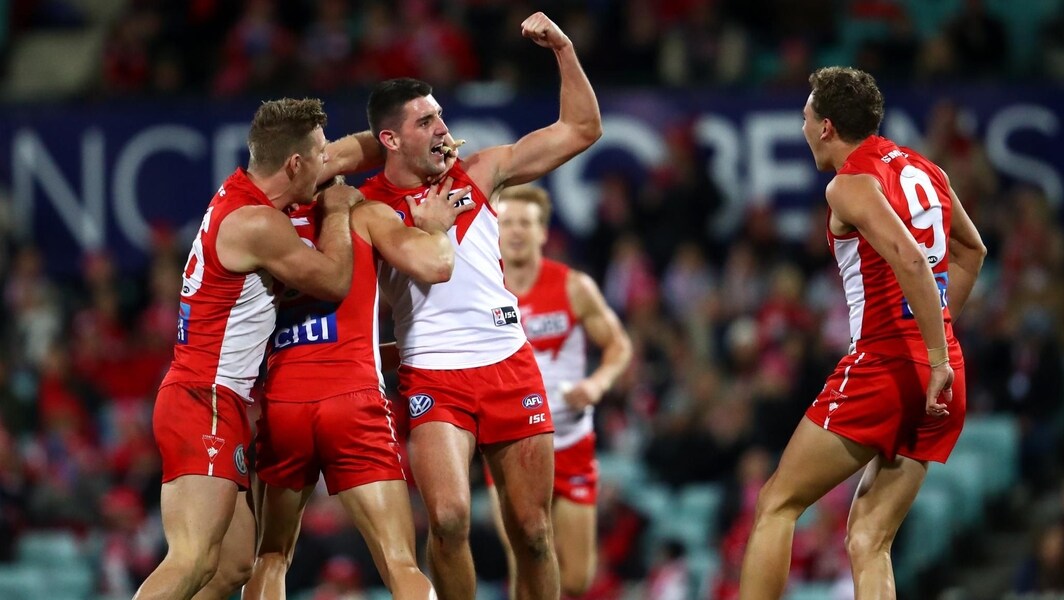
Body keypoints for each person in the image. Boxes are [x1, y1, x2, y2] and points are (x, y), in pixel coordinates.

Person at [358, 12, 601, 600]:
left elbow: (581, 129)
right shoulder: (368, 208)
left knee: (534, 532)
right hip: (434, 373)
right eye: (425, 121)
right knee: (447, 522)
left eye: (440, 115)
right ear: (391, 140)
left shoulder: (481, 171)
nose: (443, 129)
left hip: (509, 363)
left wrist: (563, 49)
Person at [738, 66, 986, 599]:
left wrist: (932, 355)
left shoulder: (849, 184)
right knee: (869, 539)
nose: (803, 127)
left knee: (777, 503)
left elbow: (909, 260)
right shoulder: (928, 169)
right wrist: (937, 341)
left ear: (826, 127)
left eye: (805, 117)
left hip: (886, 367)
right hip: (941, 375)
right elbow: (973, 251)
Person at [135, 97, 382, 600]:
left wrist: (408, 138)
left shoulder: (247, 190)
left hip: (213, 400)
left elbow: (347, 153)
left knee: (231, 568)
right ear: (294, 164)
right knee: (191, 559)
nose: (328, 163)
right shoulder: (256, 223)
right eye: (318, 156)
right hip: (203, 400)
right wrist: (337, 210)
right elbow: (334, 280)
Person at [243, 175, 473, 600]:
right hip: (353, 399)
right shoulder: (364, 217)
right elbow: (436, 264)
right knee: (399, 561)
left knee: (270, 556)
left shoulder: (264, 231)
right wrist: (435, 227)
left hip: (284, 402)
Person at [487, 184, 632, 597]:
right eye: (508, 223)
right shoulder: (483, 288)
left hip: (571, 443)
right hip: (512, 445)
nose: (516, 231)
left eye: (526, 223)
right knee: (525, 557)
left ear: (543, 232)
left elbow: (619, 344)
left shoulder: (573, 286)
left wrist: (597, 383)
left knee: (576, 579)